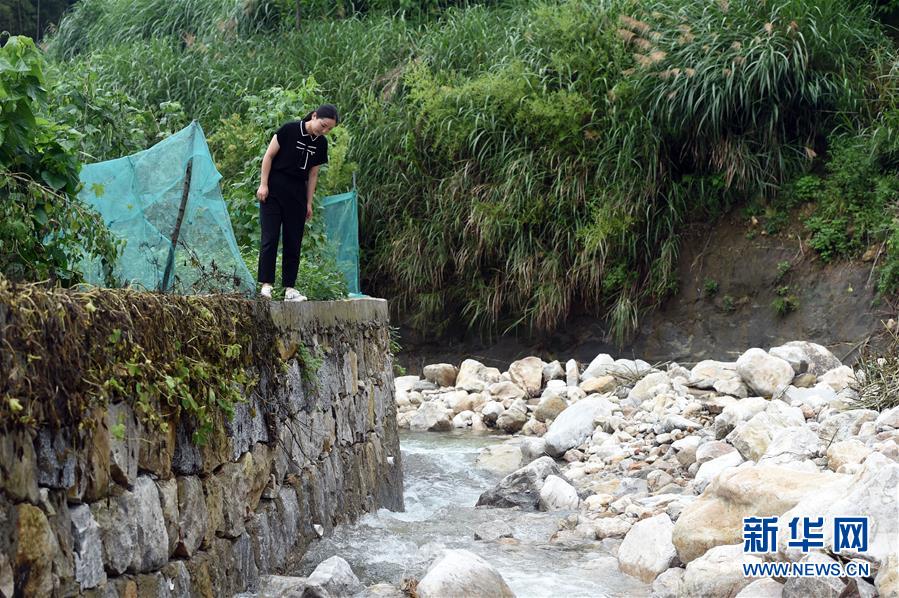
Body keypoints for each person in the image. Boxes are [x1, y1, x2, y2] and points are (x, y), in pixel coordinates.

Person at [256, 104, 338, 300]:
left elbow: (313, 174)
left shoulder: (321, 143)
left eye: (329, 129)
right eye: (323, 125)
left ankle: (289, 289)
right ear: (315, 116)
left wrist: (308, 203)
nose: (324, 130)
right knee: (270, 237)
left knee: (293, 241)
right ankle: (266, 285)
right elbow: (268, 156)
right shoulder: (289, 129)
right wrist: (263, 185)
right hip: (274, 190)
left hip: (297, 194)